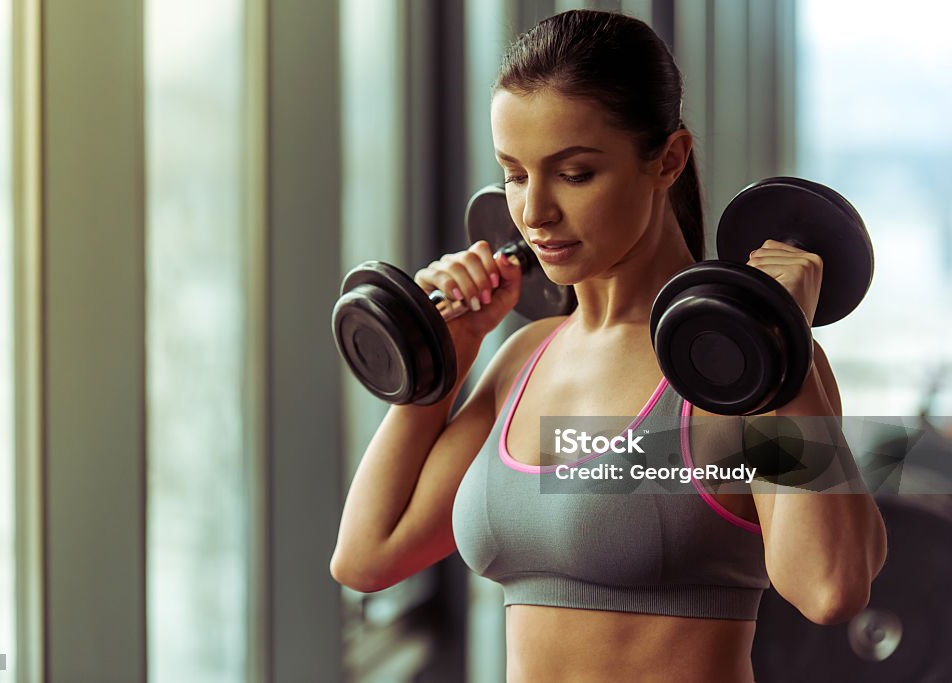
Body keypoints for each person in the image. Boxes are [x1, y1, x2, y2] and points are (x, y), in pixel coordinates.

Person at [330, 10, 887, 682]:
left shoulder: (740, 369)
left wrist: (783, 351)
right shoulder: (523, 357)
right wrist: (441, 363)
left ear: (669, 159)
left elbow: (829, 586)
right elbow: (367, 555)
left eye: (575, 173)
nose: (534, 212)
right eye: (514, 173)